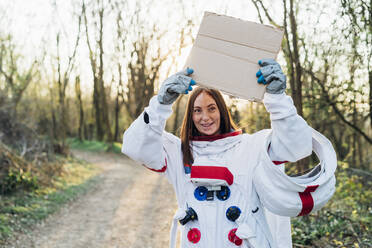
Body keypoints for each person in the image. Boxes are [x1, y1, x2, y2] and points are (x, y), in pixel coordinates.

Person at [122, 59, 337, 248]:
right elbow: (136, 147)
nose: (204, 117)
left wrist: (277, 98)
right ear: (190, 115)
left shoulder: (251, 147)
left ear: (222, 111)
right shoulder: (179, 153)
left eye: (211, 108)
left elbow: (296, 145)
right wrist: (160, 104)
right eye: (197, 110)